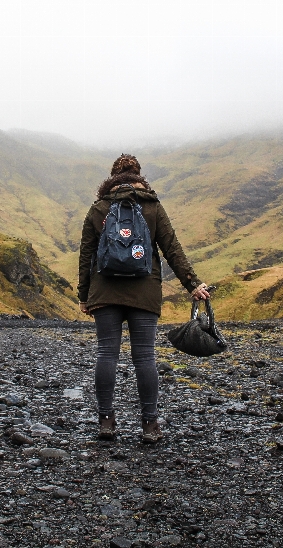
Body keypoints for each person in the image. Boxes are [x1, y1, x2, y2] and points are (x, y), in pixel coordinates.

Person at [77, 154, 210, 443]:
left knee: (106, 354)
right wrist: (193, 284)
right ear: (140, 175)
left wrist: (83, 296)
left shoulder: (99, 207)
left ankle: (106, 422)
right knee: (145, 357)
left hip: (104, 290)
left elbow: (86, 255)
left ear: (112, 177)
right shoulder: (152, 206)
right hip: (145, 290)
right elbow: (172, 248)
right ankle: (150, 426)